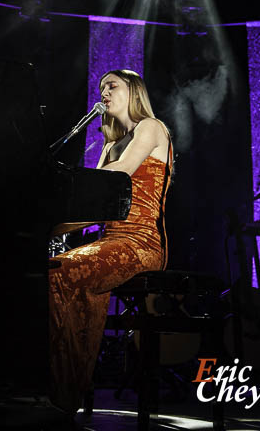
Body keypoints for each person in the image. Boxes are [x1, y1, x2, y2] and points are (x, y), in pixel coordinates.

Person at [48, 69, 173, 417]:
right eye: (101, 86)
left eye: (112, 85)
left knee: (61, 274)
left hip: (141, 244)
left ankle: (61, 392)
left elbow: (119, 174)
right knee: (56, 270)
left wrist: (65, 180)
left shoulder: (151, 127)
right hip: (111, 242)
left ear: (134, 91)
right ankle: (65, 388)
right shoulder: (108, 145)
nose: (103, 91)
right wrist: (49, 229)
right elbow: (95, 207)